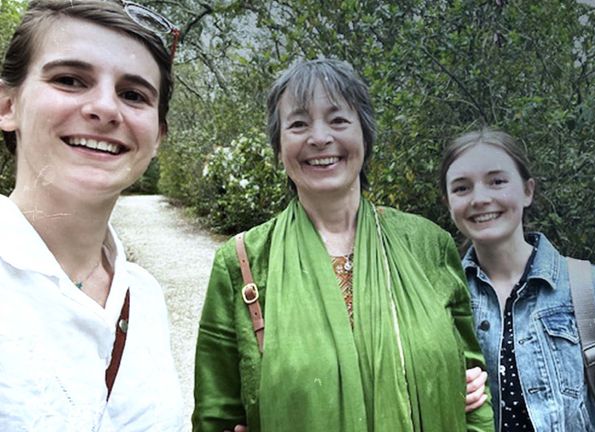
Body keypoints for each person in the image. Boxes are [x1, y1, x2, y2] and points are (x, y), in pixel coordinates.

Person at [193, 59, 494, 432]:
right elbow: (216, 416)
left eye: (338, 120)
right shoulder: (243, 262)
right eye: (299, 124)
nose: (319, 138)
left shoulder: (427, 245)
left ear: (365, 136)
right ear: (279, 144)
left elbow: (474, 392)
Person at [0, 1, 184, 430]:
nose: (105, 109)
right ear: (8, 106)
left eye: (133, 94)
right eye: (69, 80)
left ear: (157, 136)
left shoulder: (146, 299)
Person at [440, 128, 595, 431]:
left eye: (497, 181)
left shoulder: (593, 291)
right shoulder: (440, 298)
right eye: (462, 188)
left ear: (528, 190)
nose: (480, 198)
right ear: (449, 203)